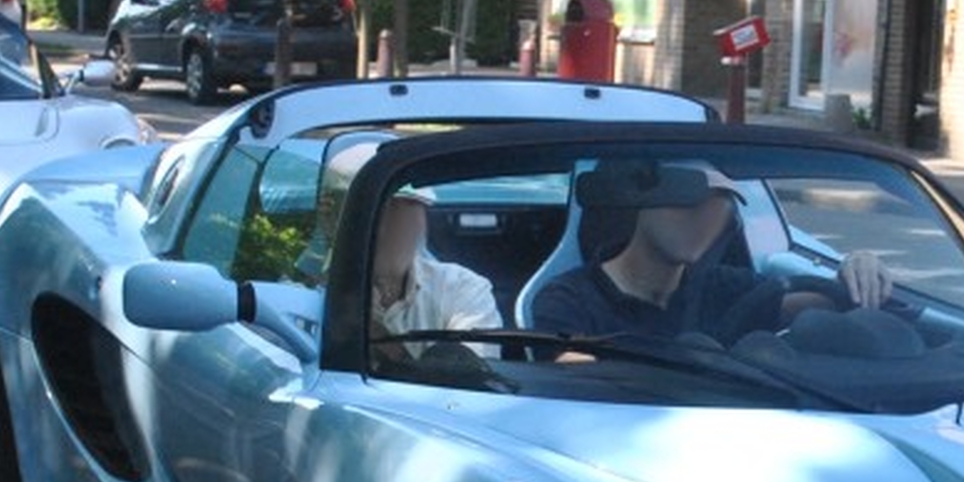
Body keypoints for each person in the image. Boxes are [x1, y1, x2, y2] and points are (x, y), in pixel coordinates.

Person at [528, 160, 890, 343]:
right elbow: (575, 381)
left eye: (723, 205)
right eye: (689, 200)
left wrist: (855, 273)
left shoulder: (722, 287)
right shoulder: (568, 300)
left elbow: (810, 304)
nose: (705, 217)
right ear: (640, 203)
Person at [368, 187, 498, 350]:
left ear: (423, 221)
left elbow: (473, 371)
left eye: (410, 208)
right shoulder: (328, 294)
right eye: (383, 210)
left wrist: (372, 330)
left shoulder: (462, 288)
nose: (396, 226)